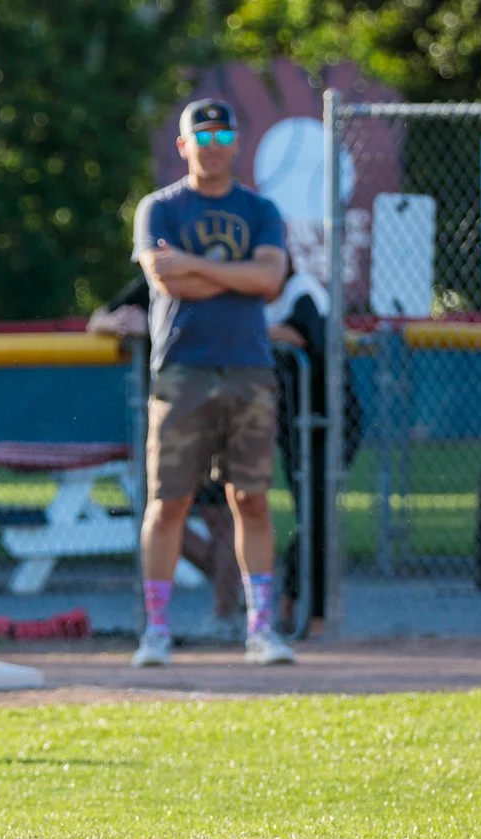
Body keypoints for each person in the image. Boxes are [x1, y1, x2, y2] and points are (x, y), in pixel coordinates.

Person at [129, 97, 295, 667]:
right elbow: (166, 280)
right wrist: (236, 277)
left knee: (251, 499)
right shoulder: (159, 208)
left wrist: (198, 266)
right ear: (183, 145)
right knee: (168, 502)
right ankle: (155, 632)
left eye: (225, 137)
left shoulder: (261, 209)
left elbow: (270, 279)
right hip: (181, 371)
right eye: (203, 137)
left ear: (237, 145)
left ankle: (261, 629)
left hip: (248, 369)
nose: (214, 146)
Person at [89, 276, 243, 641]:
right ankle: (227, 594)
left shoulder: (221, 277)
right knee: (159, 510)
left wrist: (154, 325)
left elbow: (218, 330)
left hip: (218, 410)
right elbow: (96, 319)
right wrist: (118, 324)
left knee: (221, 515)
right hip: (168, 415)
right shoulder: (157, 276)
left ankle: (227, 614)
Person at [266, 260, 362, 637]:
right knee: (310, 516)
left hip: (335, 422)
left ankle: (315, 615)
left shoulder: (301, 290)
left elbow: (313, 340)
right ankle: (292, 600)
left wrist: (274, 332)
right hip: (295, 426)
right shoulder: (256, 301)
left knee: (318, 514)